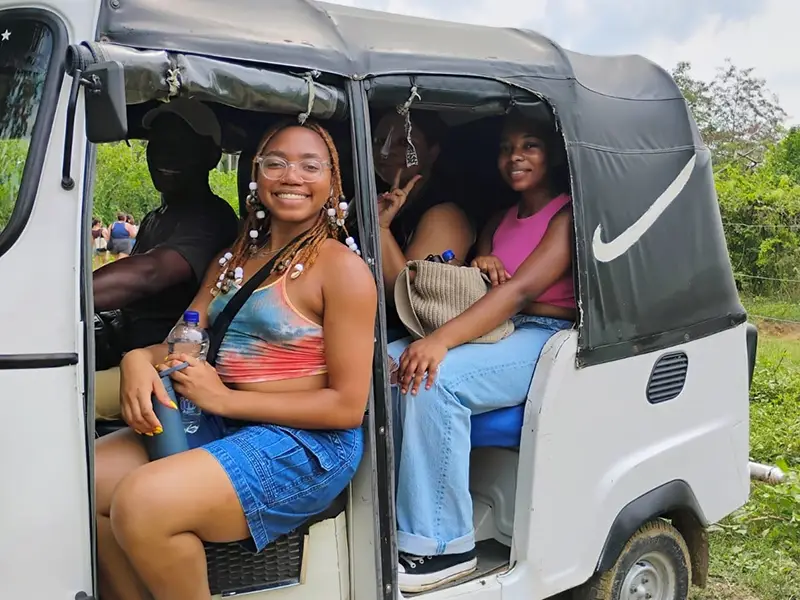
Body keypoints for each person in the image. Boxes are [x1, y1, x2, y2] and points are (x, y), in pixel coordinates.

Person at [94, 119, 377, 599]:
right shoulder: (233, 260)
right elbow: (186, 340)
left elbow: (347, 407)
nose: (292, 176)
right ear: (255, 175)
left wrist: (225, 399)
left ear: (332, 182)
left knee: (143, 502)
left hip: (305, 443)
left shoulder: (343, 270)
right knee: (86, 479)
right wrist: (138, 360)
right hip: (220, 420)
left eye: (310, 166)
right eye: (276, 163)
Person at [387, 111, 575, 593]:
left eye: (529, 146)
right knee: (387, 360)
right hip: (502, 325)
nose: (515, 157)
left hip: (545, 335)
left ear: (552, 155)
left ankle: (443, 545)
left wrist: (439, 340)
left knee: (435, 377)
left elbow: (518, 291)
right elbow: (478, 278)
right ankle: (395, 513)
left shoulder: (566, 216)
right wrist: (483, 258)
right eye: (506, 148)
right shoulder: (499, 218)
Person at [93, 99, 239, 417]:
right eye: (157, 144)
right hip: (127, 347)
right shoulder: (157, 217)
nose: (164, 155)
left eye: (182, 145)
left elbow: (150, 273)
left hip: (164, 362)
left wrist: (62, 295)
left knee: (61, 395)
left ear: (212, 156)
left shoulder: (210, 218)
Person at [370, 110, 475, 337]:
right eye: (379, 141)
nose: (385, 151)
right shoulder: (373, 198)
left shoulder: (444, 214)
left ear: (432, 152)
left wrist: (381, 229)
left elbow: (413, 299)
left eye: (404, 143)